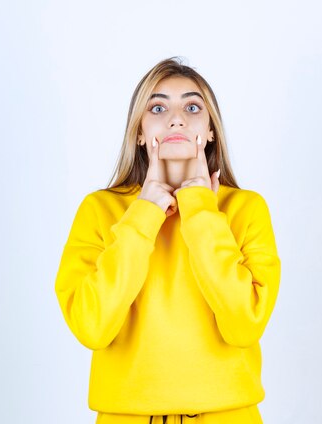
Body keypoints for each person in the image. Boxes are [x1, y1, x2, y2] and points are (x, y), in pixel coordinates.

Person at [54, 57, 281, 424]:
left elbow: (244, 325)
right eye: (158, 107)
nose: (176, 118)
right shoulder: (99, 209)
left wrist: (199, 208)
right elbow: (92, 326)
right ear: (139, 132)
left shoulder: (246, 209)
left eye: (192, 107)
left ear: (210, 132)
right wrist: (144, 213)